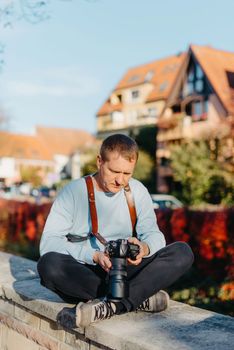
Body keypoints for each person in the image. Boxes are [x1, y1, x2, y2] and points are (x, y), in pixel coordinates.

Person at [37, 134, 194, 328]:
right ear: (99, 161)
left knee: (182, 252)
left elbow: (154, 234)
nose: (120, 180)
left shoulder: (137, 191)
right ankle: (137, 298)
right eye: (114, 171)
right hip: (87, 271)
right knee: (48, 264)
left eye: (127, 173)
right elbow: (48, 243)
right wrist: (92, 255)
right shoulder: (73, 192)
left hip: (126, 270)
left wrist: (144, 247)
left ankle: (110, 306)